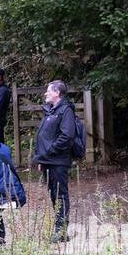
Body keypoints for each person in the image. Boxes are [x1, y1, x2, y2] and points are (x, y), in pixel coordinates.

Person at [34, 79, 77, 241]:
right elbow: (45, 137)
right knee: (54, 194)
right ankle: (59, 230)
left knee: (60, 195)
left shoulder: (66, 111)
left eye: (49, 91)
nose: (46, 93)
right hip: (48, 161)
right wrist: (42, 160)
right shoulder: (51, 111)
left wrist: (49, 152)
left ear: (57, 93)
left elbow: (67, 136)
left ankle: (61, 231)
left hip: (58, 162)